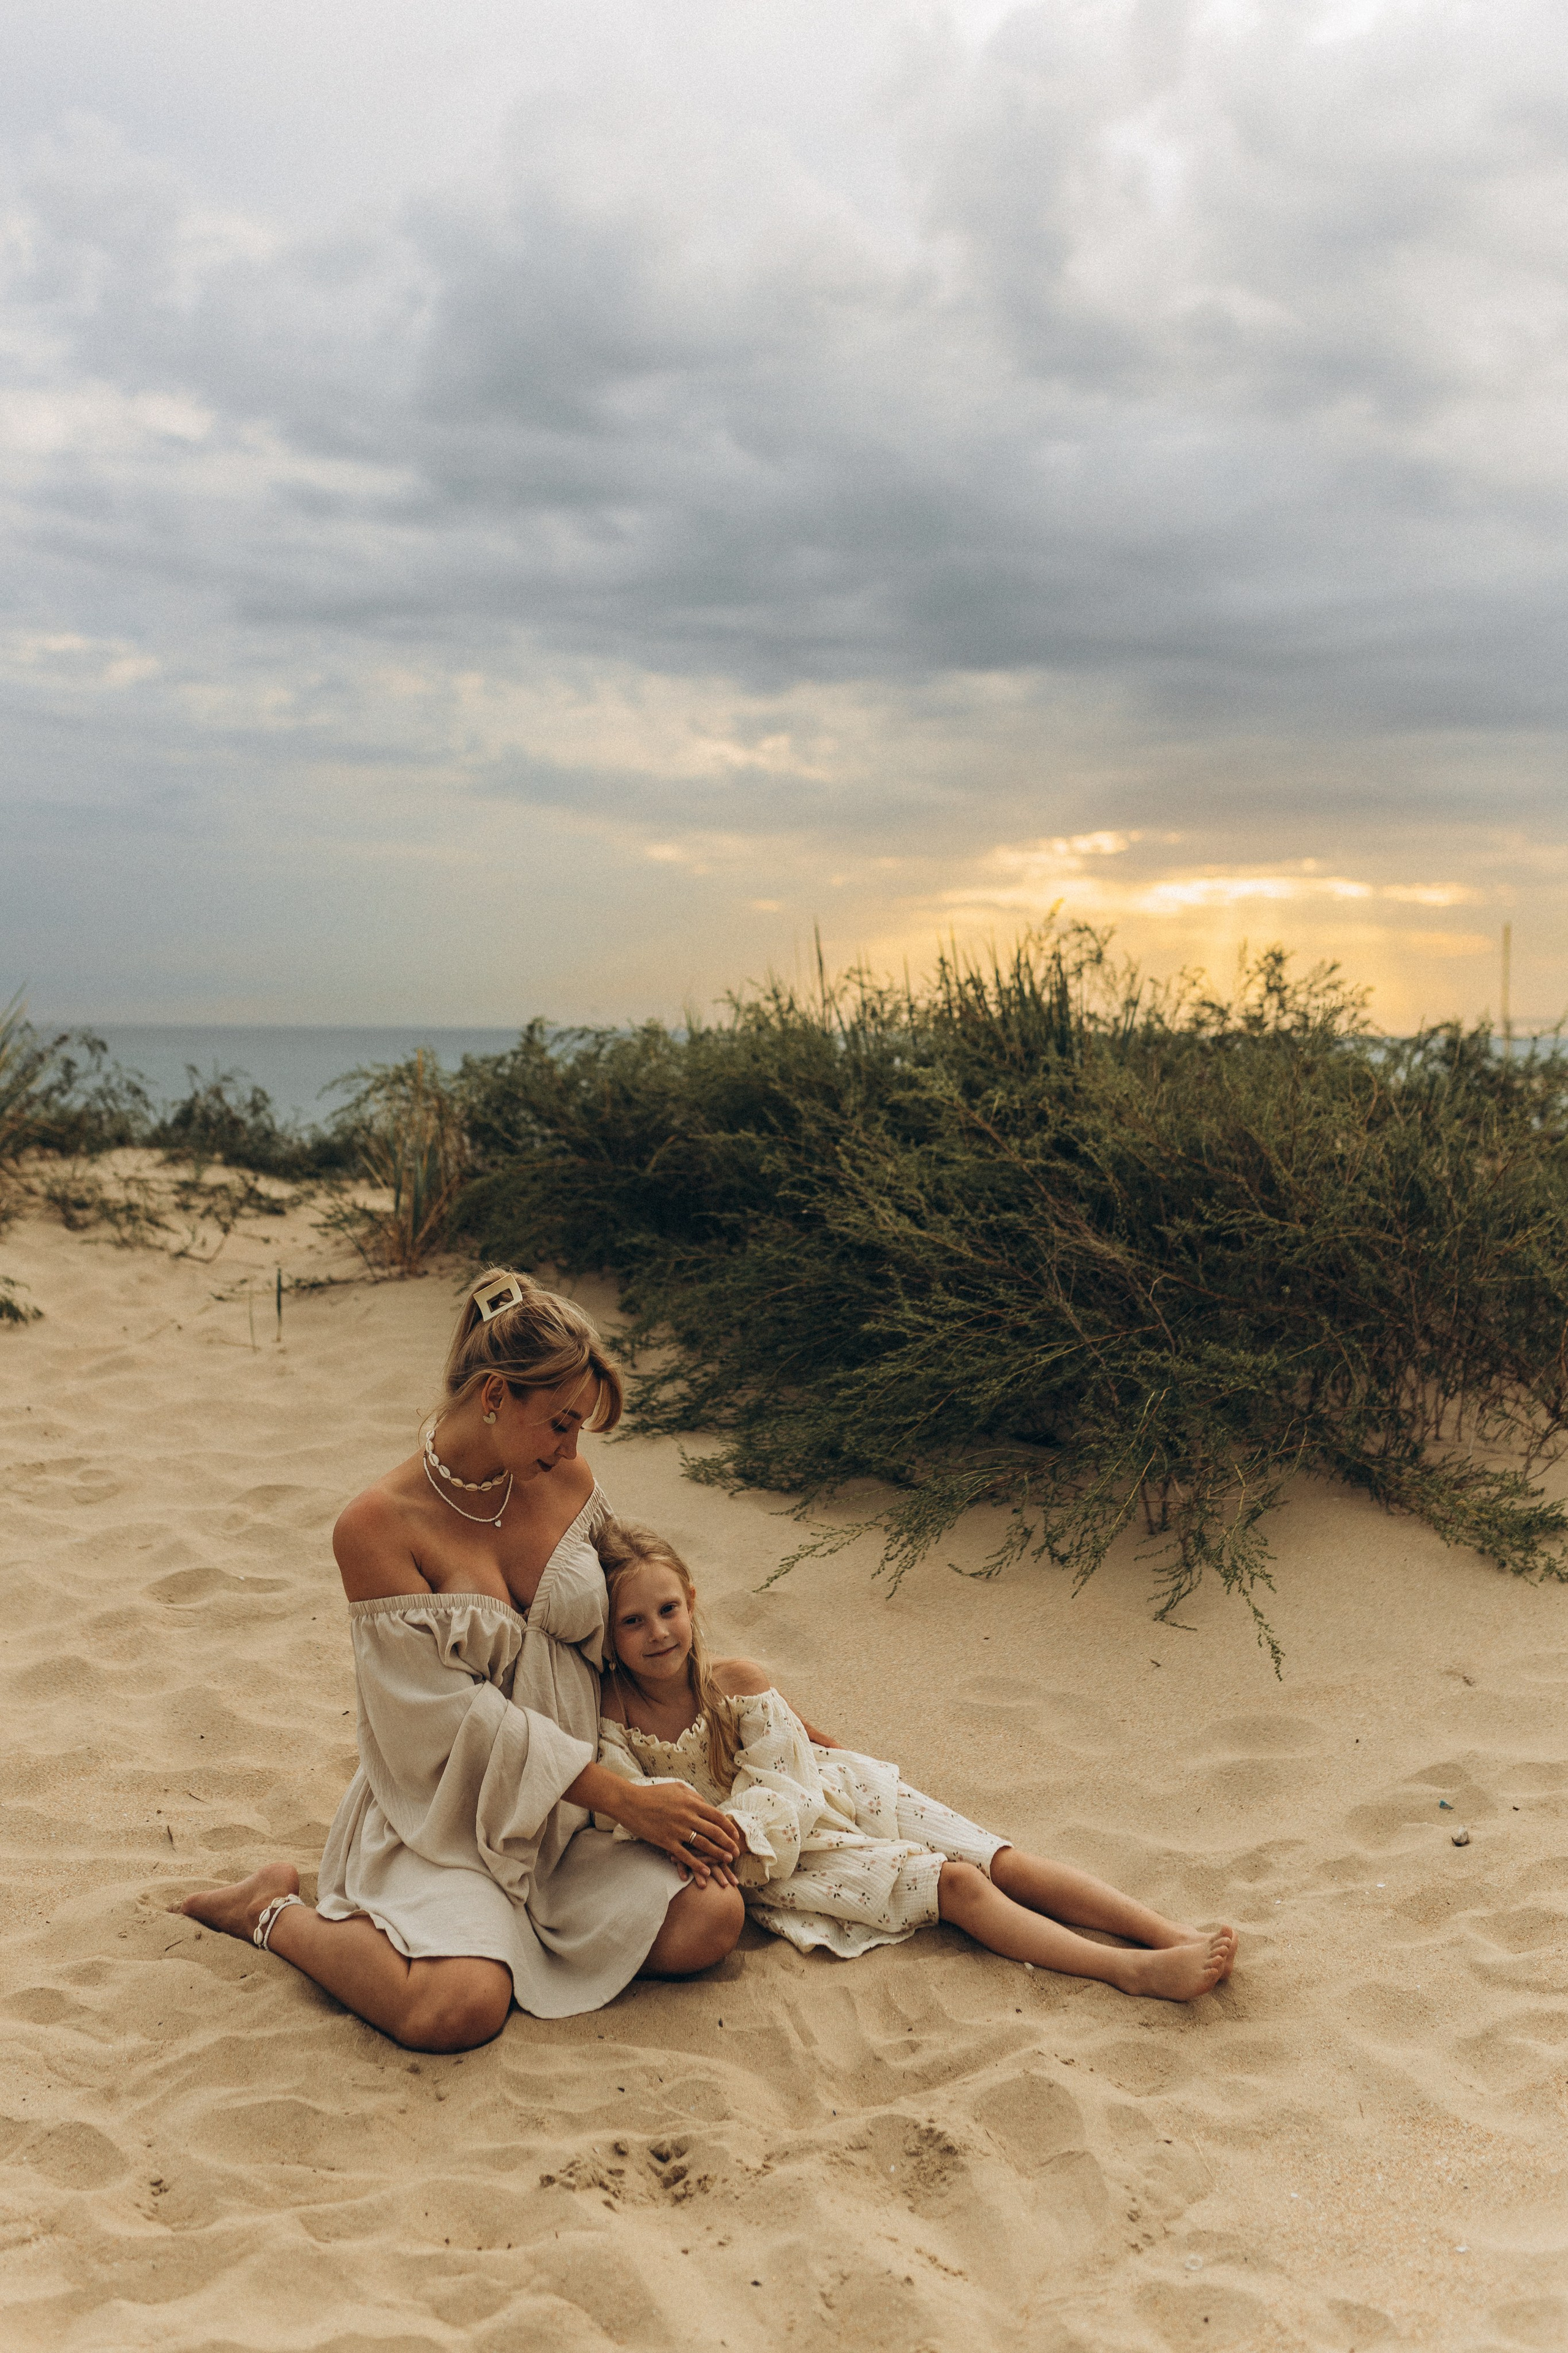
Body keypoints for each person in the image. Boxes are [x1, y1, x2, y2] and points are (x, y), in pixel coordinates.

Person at [178, 1271, 744, 2052]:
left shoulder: (564, 1476)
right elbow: (444, 1724)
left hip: (576, 1815)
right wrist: (627, 1800)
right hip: (446, 1815)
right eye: (559, 1423)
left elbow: (639, 1623)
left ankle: (523, 1937)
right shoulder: (376, 1525)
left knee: (712, 1916)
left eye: (579, 1426)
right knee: (459, 2008)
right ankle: (270, 1914)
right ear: (491, 1395)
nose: (572, 1447)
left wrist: (758, 1710)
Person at [594, 1520, 1238, 2000]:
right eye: (633, 1621)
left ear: (692, 1601)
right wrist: (721, 1841)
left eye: (669, 1609)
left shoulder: (735, 1680)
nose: (658, 1632)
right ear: (607, 1636)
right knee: (957, 1883)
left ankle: (1161, 1929)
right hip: (771, 1862)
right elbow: (628, 1813)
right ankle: (1127, 1970)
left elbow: (788, 1785)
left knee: (997, 1857)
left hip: (830, 1792)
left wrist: (723, 1829)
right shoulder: (610, 1721)